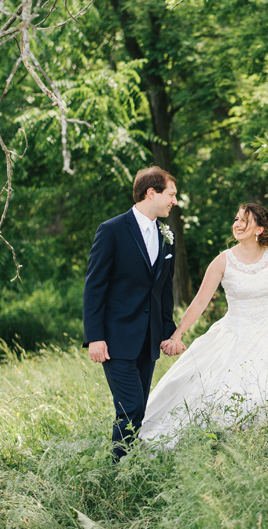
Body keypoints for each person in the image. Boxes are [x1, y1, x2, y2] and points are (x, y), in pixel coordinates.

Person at [139, 203, 268, 447]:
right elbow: (199, 304)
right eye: (237, 218)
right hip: (234, 333)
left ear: (259, 229)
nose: (237, 224)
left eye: (245, 221)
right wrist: (177, 335)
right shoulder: (222, 261)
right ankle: (221, 444)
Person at [82, 166, 184, 461]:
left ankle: (128, 468)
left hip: (149, 340)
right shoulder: (112, 230)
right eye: (171, 194)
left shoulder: (167, 236)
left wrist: (169, 334)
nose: (174, 201)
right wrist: (95, 337)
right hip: (116, 339)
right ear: (151, 193)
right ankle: (119, 468)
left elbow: (163, 292)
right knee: (131, 408)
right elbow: (94, 287)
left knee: (137, 409)